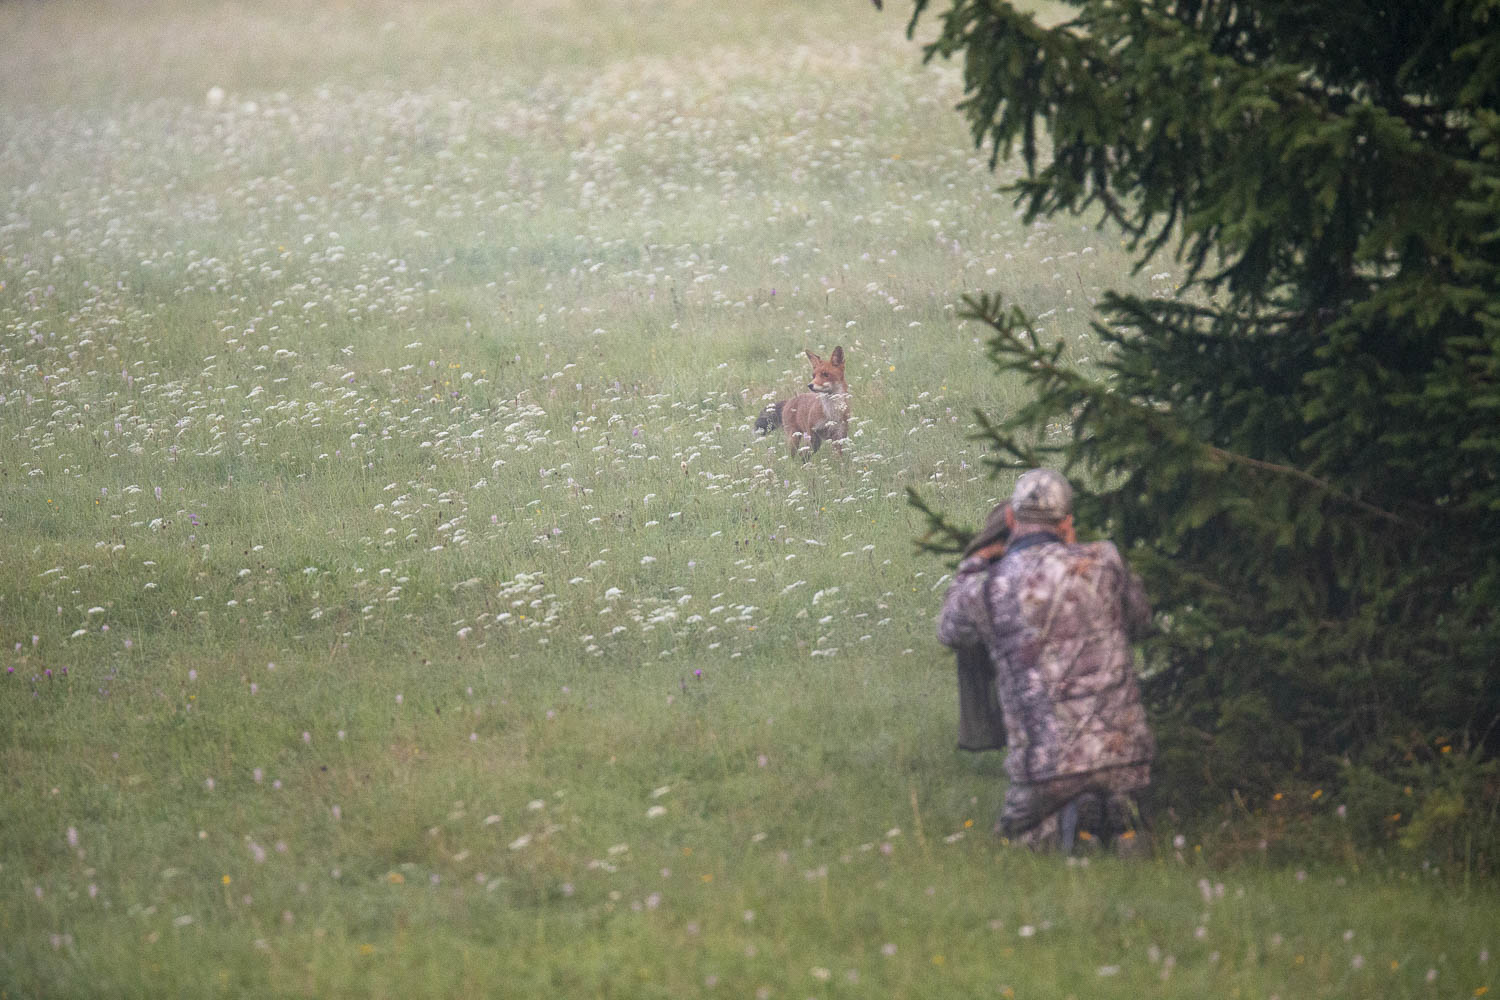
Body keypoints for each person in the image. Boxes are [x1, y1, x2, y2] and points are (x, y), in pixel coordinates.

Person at [937, 469, 1155, 854]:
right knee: (1127, 815)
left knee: (1017, 845)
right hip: (1126, 758)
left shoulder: (992, 585)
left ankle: (1063, 826)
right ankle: (1116, 822)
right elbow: (1141, 621)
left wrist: (975, 562)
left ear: (1010, 520)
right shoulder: (1104, 562)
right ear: (1067, 521)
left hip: (1045, 769)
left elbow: (950, 630)